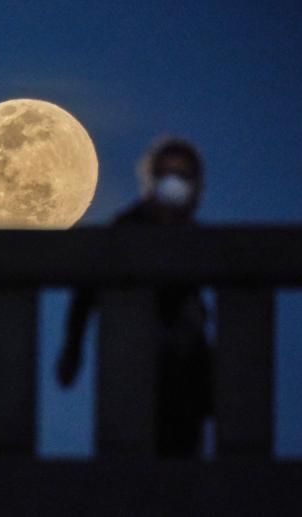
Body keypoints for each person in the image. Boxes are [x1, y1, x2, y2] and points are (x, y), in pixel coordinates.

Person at [56, 137, 214, 457]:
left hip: (183, 392)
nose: (174, 184)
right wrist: (72, 352)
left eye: (184, 176)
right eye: (166, 174)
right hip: (134, 376)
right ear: (150, 182)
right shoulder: (124, 231)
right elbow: (85, 293)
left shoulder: (195, 240)